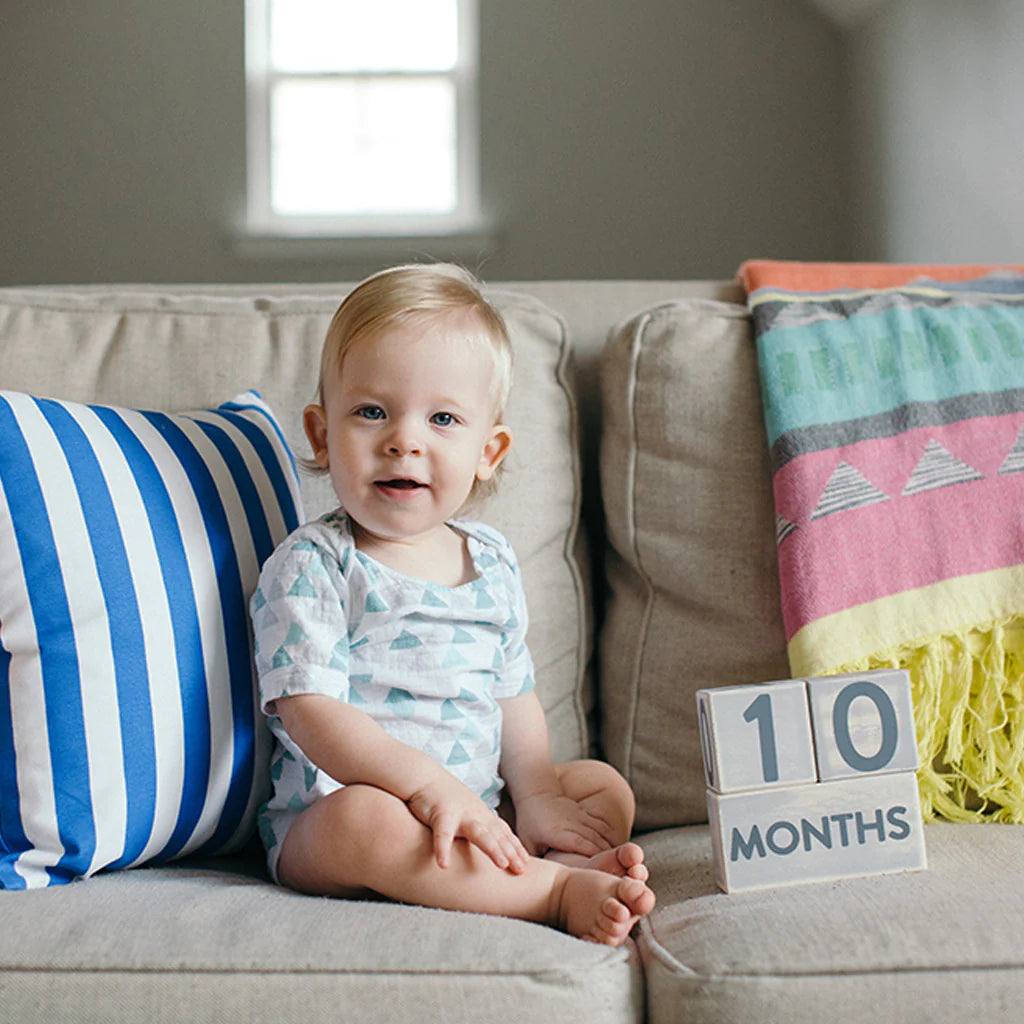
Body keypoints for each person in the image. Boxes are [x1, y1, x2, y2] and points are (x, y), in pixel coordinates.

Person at [250, 264, 655, 946]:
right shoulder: (315, 564)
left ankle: (532, 856)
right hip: (341, 814)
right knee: (365, 823)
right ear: (321, 435)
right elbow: (310, 711)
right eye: (371, 412)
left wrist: (536, 796)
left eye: (442, 419)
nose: (404, 440)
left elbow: (512, 694)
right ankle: (550, 890)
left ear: (486, 452)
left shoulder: (490, 561)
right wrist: (426, 787)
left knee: (599, 784)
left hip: (480, 800)